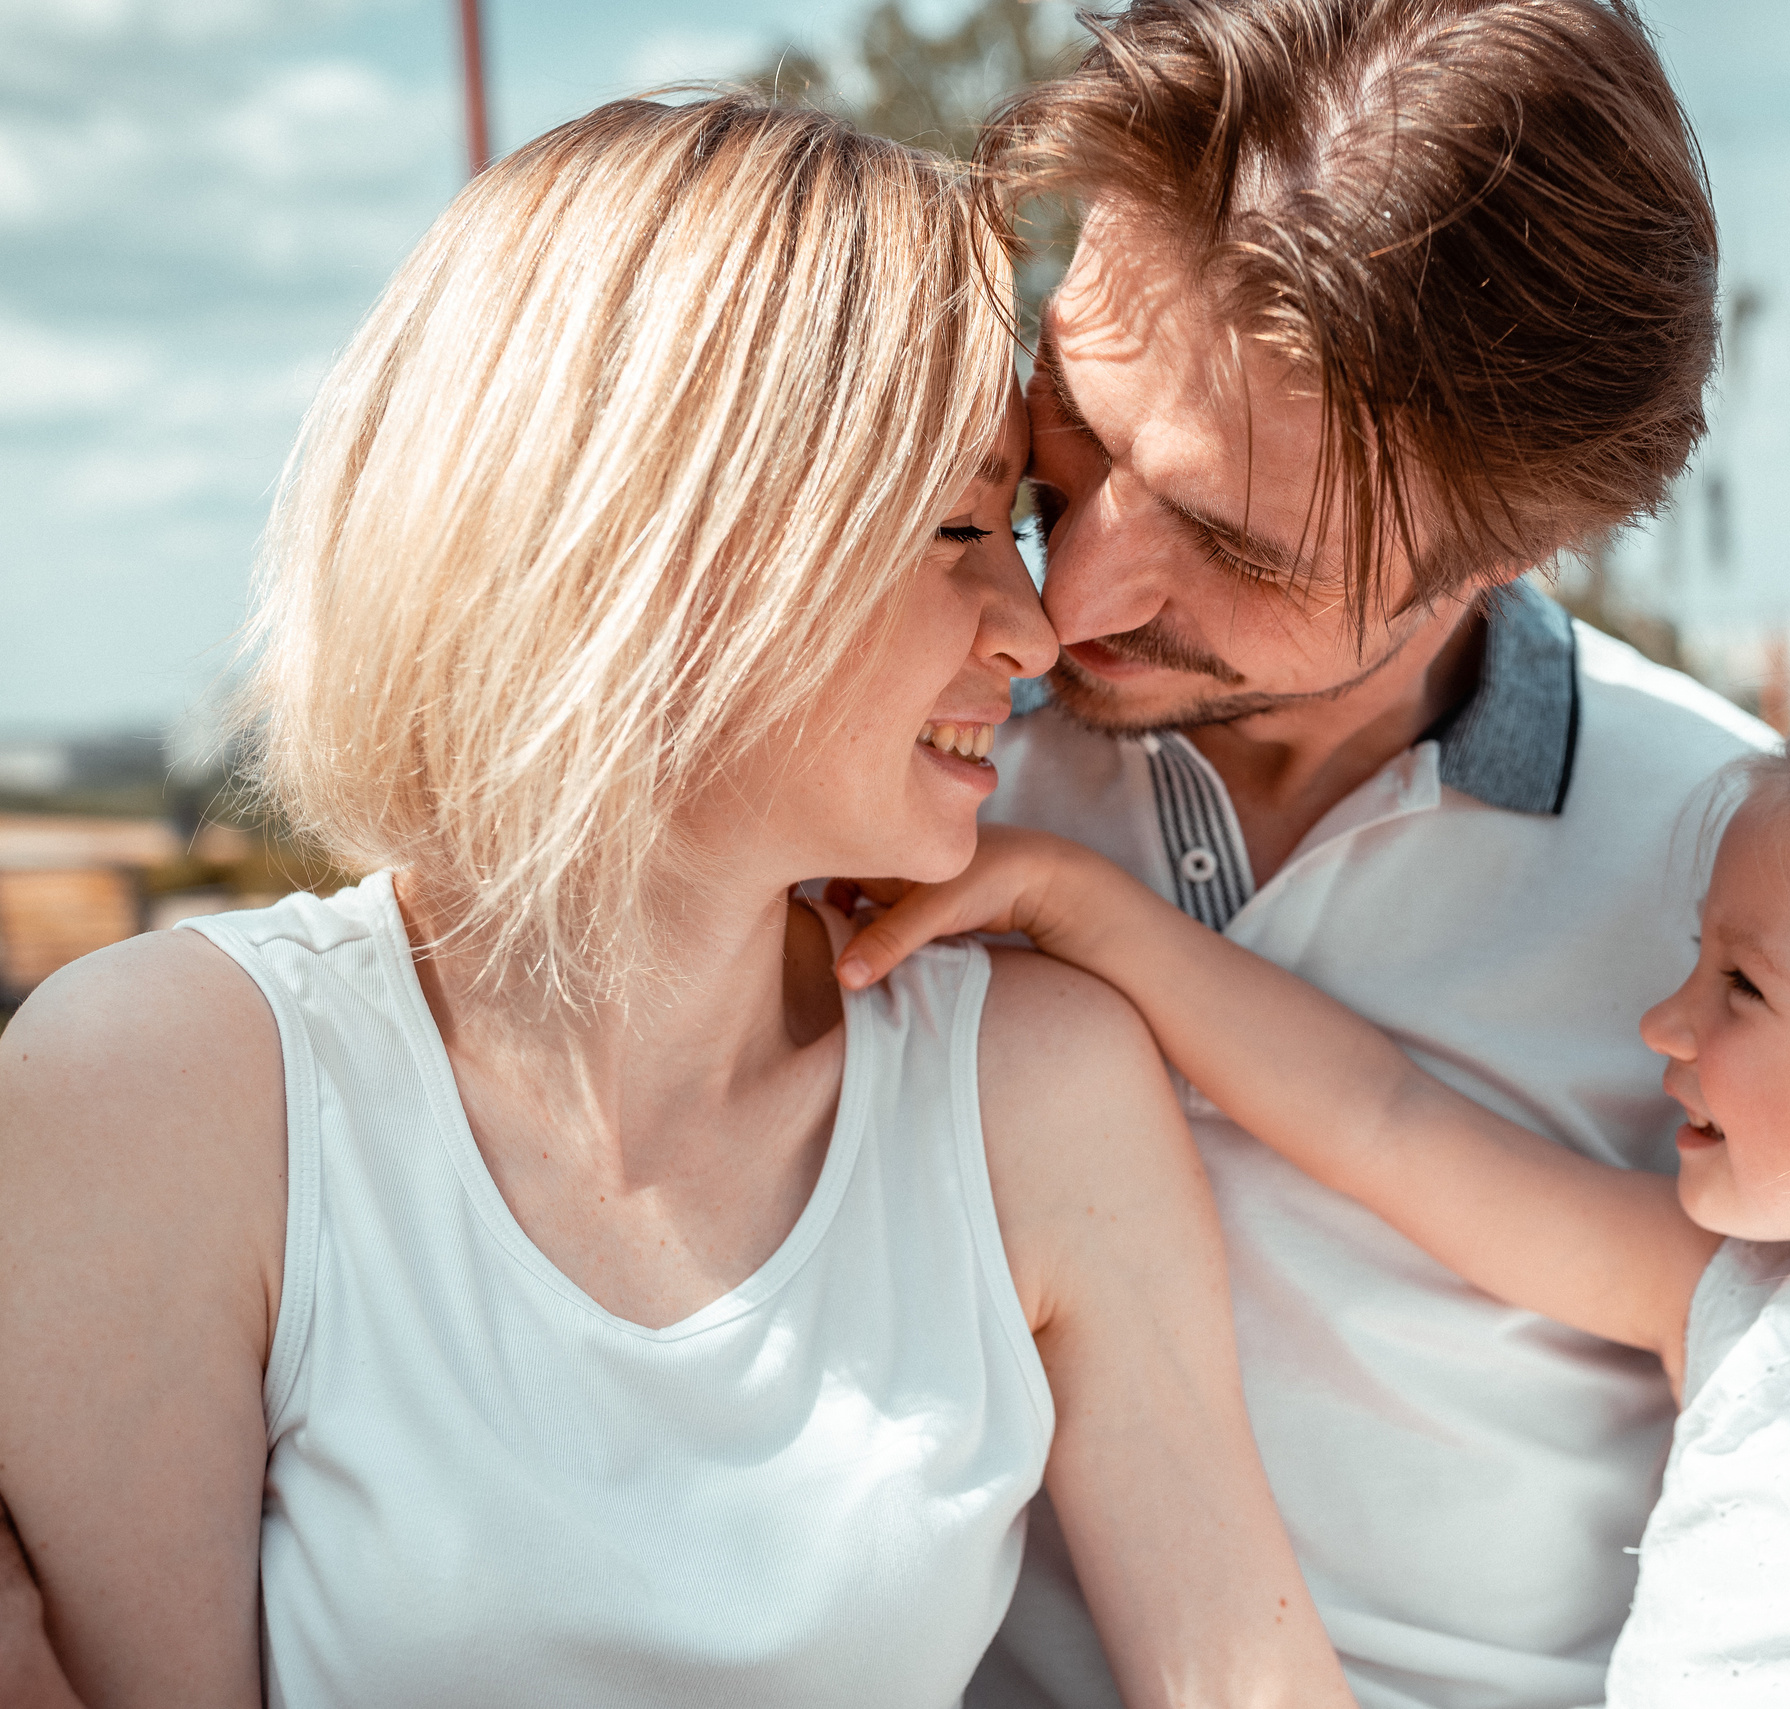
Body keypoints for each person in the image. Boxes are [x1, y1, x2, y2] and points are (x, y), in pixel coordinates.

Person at [0, 95, 1355, 1709]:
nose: (1033, 627)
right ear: (666, 538)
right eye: (957, 526)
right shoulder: (172, 1088)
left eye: (1018, 526)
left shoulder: (1037, 1095)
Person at [835, 608, 1790, 1707]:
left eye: (1741, 987)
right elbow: (1380, 1119)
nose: (1660, 1022)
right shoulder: (1728, 1303)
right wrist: (1085, 910)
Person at [949, 3, 1775, 1705]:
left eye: (1236, 546)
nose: (1074, 595)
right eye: (1082, 434)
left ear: (1527, 541)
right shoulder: (891, 763)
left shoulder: (1752, 886)